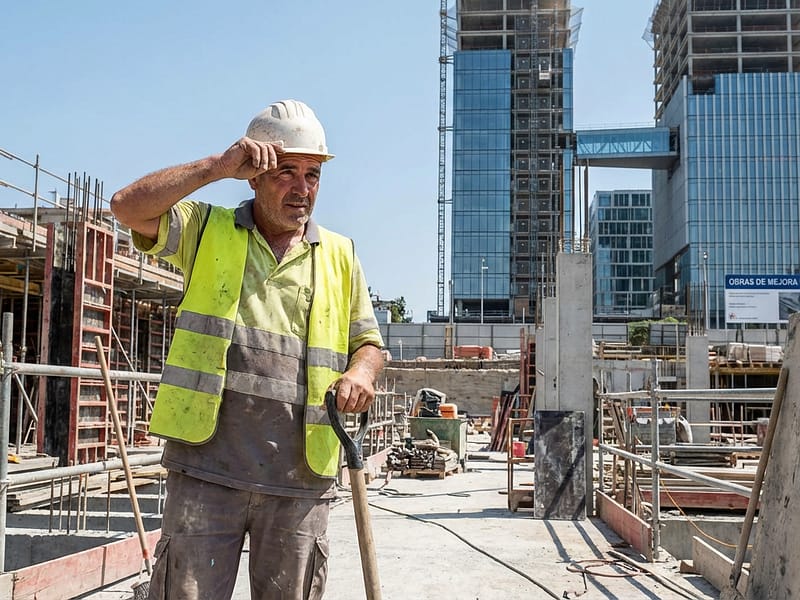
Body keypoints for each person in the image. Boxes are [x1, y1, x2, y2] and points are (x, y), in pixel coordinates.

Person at [110, 99, 385, 600]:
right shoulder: (207, 230)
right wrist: (217, 167)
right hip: (207, 470)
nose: (302, 189)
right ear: (253, 176)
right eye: (286, 172)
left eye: (313, 174)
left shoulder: (341, 256)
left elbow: (369, 343)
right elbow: (127, 206)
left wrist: (363, 372)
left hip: (300, 476)